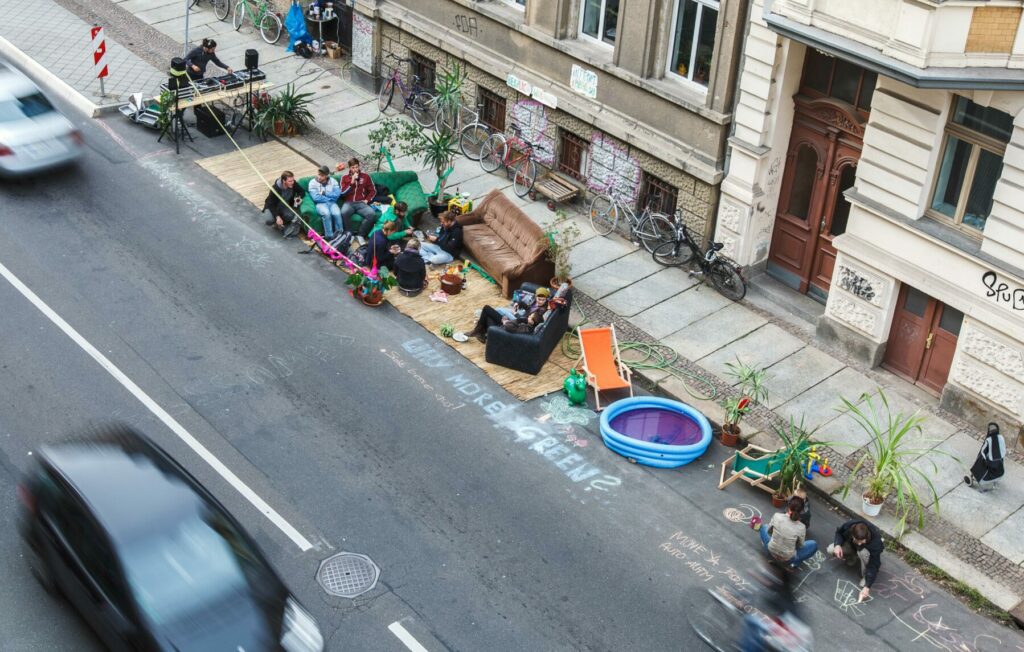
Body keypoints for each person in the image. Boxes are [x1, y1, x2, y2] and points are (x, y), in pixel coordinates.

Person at [465, 287, 549, 343]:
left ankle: (477, 330)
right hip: (516, 319)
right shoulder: (536, 303)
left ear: (546, 299)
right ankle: (481, 333)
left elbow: (525, 321)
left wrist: (513, 316)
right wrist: (520, 303)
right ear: (536, 296)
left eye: (543, 300)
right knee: (489, 314)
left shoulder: (540, 312)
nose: (540, 301)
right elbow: (529, 309)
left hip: (514, 320)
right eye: (539, 299)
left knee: (489, 309)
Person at [754, 495, 818, 569]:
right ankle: (794, 564)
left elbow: (769, 532)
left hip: (771, 552)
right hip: (788, 559)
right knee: (814, 544)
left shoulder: (777, 516)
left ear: (788, 506)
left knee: (764, 527)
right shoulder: (801, 527)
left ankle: (772, 558)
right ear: (801, 511)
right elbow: (800, 546)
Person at [828, 519, 883, 602]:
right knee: (831, 549)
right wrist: (837, 545)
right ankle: (852, 557)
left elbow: (874, 564)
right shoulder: (849, 525)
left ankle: (865, 575)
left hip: (864, 551)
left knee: (863, 552)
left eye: (862, 541)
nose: (860, 543)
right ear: (852, 535)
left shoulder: (875, 542)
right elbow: (839, 533)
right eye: (858, 540)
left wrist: (867, 586)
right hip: (851, 546)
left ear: (867, 536)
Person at [336, 158, 378, 240]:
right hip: (349, 203)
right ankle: (349, 235)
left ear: (359, 166)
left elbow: (373, 190)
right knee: (344, 212)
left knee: (372, 214)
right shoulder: (344, 178)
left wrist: (367, 200)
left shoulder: (365, 177)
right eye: (352, 167)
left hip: (361, 203)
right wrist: (351, 182)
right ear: (349, 168)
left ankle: (360, 235)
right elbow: (342, 193)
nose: (355, 169)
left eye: (356, 167)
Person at [964, 422, 1007, 491]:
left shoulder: (988, 441)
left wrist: (984, 459)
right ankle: (995, 477)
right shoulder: (1000, 438)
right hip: (999, 465)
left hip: (989, 462)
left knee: (981, 462)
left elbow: (982, 452)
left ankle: (974, 475)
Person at [308, 165, 342, 239]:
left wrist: (325, 193)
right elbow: (316, 197)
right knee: (327, 214)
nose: (319, 177)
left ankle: (340, 236)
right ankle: (329, 237)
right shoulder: (312, 183)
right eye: (319, 174)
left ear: (326, 176)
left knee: (337, 213)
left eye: (322, 175)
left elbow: (337, 194)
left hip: (332, 203)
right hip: (320, 204)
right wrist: (329, 198)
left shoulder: (333, 181)